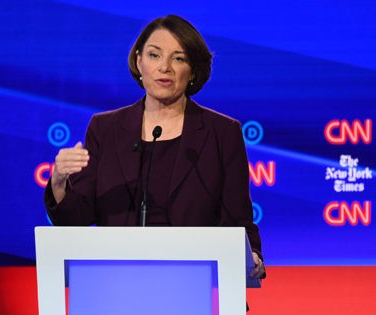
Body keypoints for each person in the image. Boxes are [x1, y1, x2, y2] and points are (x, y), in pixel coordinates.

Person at [44, 14, 265, 280]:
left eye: (179, 58)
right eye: (154, 55)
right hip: (113, 283)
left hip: (196, 283)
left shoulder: (222, 132)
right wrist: (58, 182)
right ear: (139, 61)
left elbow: (238, 219)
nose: (165, 67)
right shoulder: (105, 128)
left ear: (193, 70)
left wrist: (252, 256)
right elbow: (75, 220)